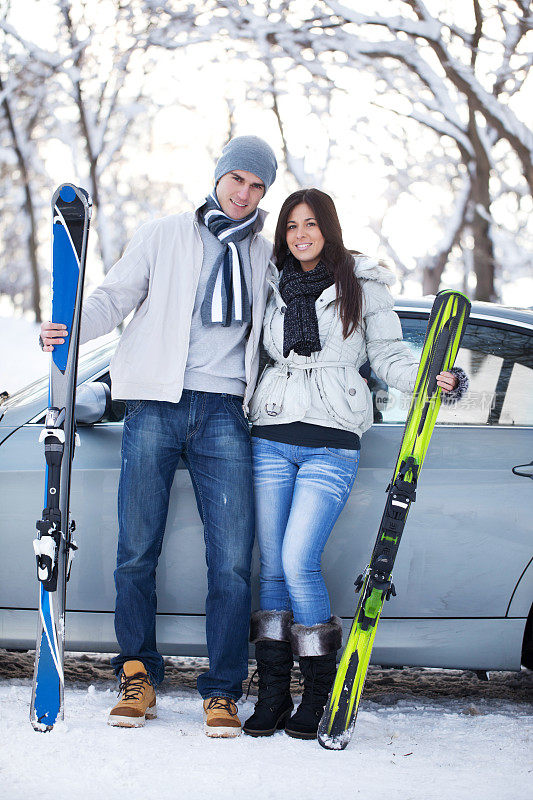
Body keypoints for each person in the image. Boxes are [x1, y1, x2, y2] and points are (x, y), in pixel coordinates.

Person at [39, 135, 278, 737]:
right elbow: (114, 298)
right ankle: (138, 673)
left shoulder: (266, 256)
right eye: (238, 180)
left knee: (229, 561)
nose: (244, 195)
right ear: (220, 175)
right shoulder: (165, 233)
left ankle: (223, 689)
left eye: (257, 187)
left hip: (226, 410)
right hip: (154, 406)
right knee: (137, 551)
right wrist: (66, 325)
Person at [242, 188, 468, 740]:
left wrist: (437, 377)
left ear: (330, 228)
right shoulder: (270, 282)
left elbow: (389, 355)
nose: (300, 234)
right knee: (270, 567)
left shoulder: (362, 285)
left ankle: (319, 693)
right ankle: (273, 696)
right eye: (292, 225)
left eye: (311, 224)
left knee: (298, 560)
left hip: (331, 443)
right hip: (270, 435)